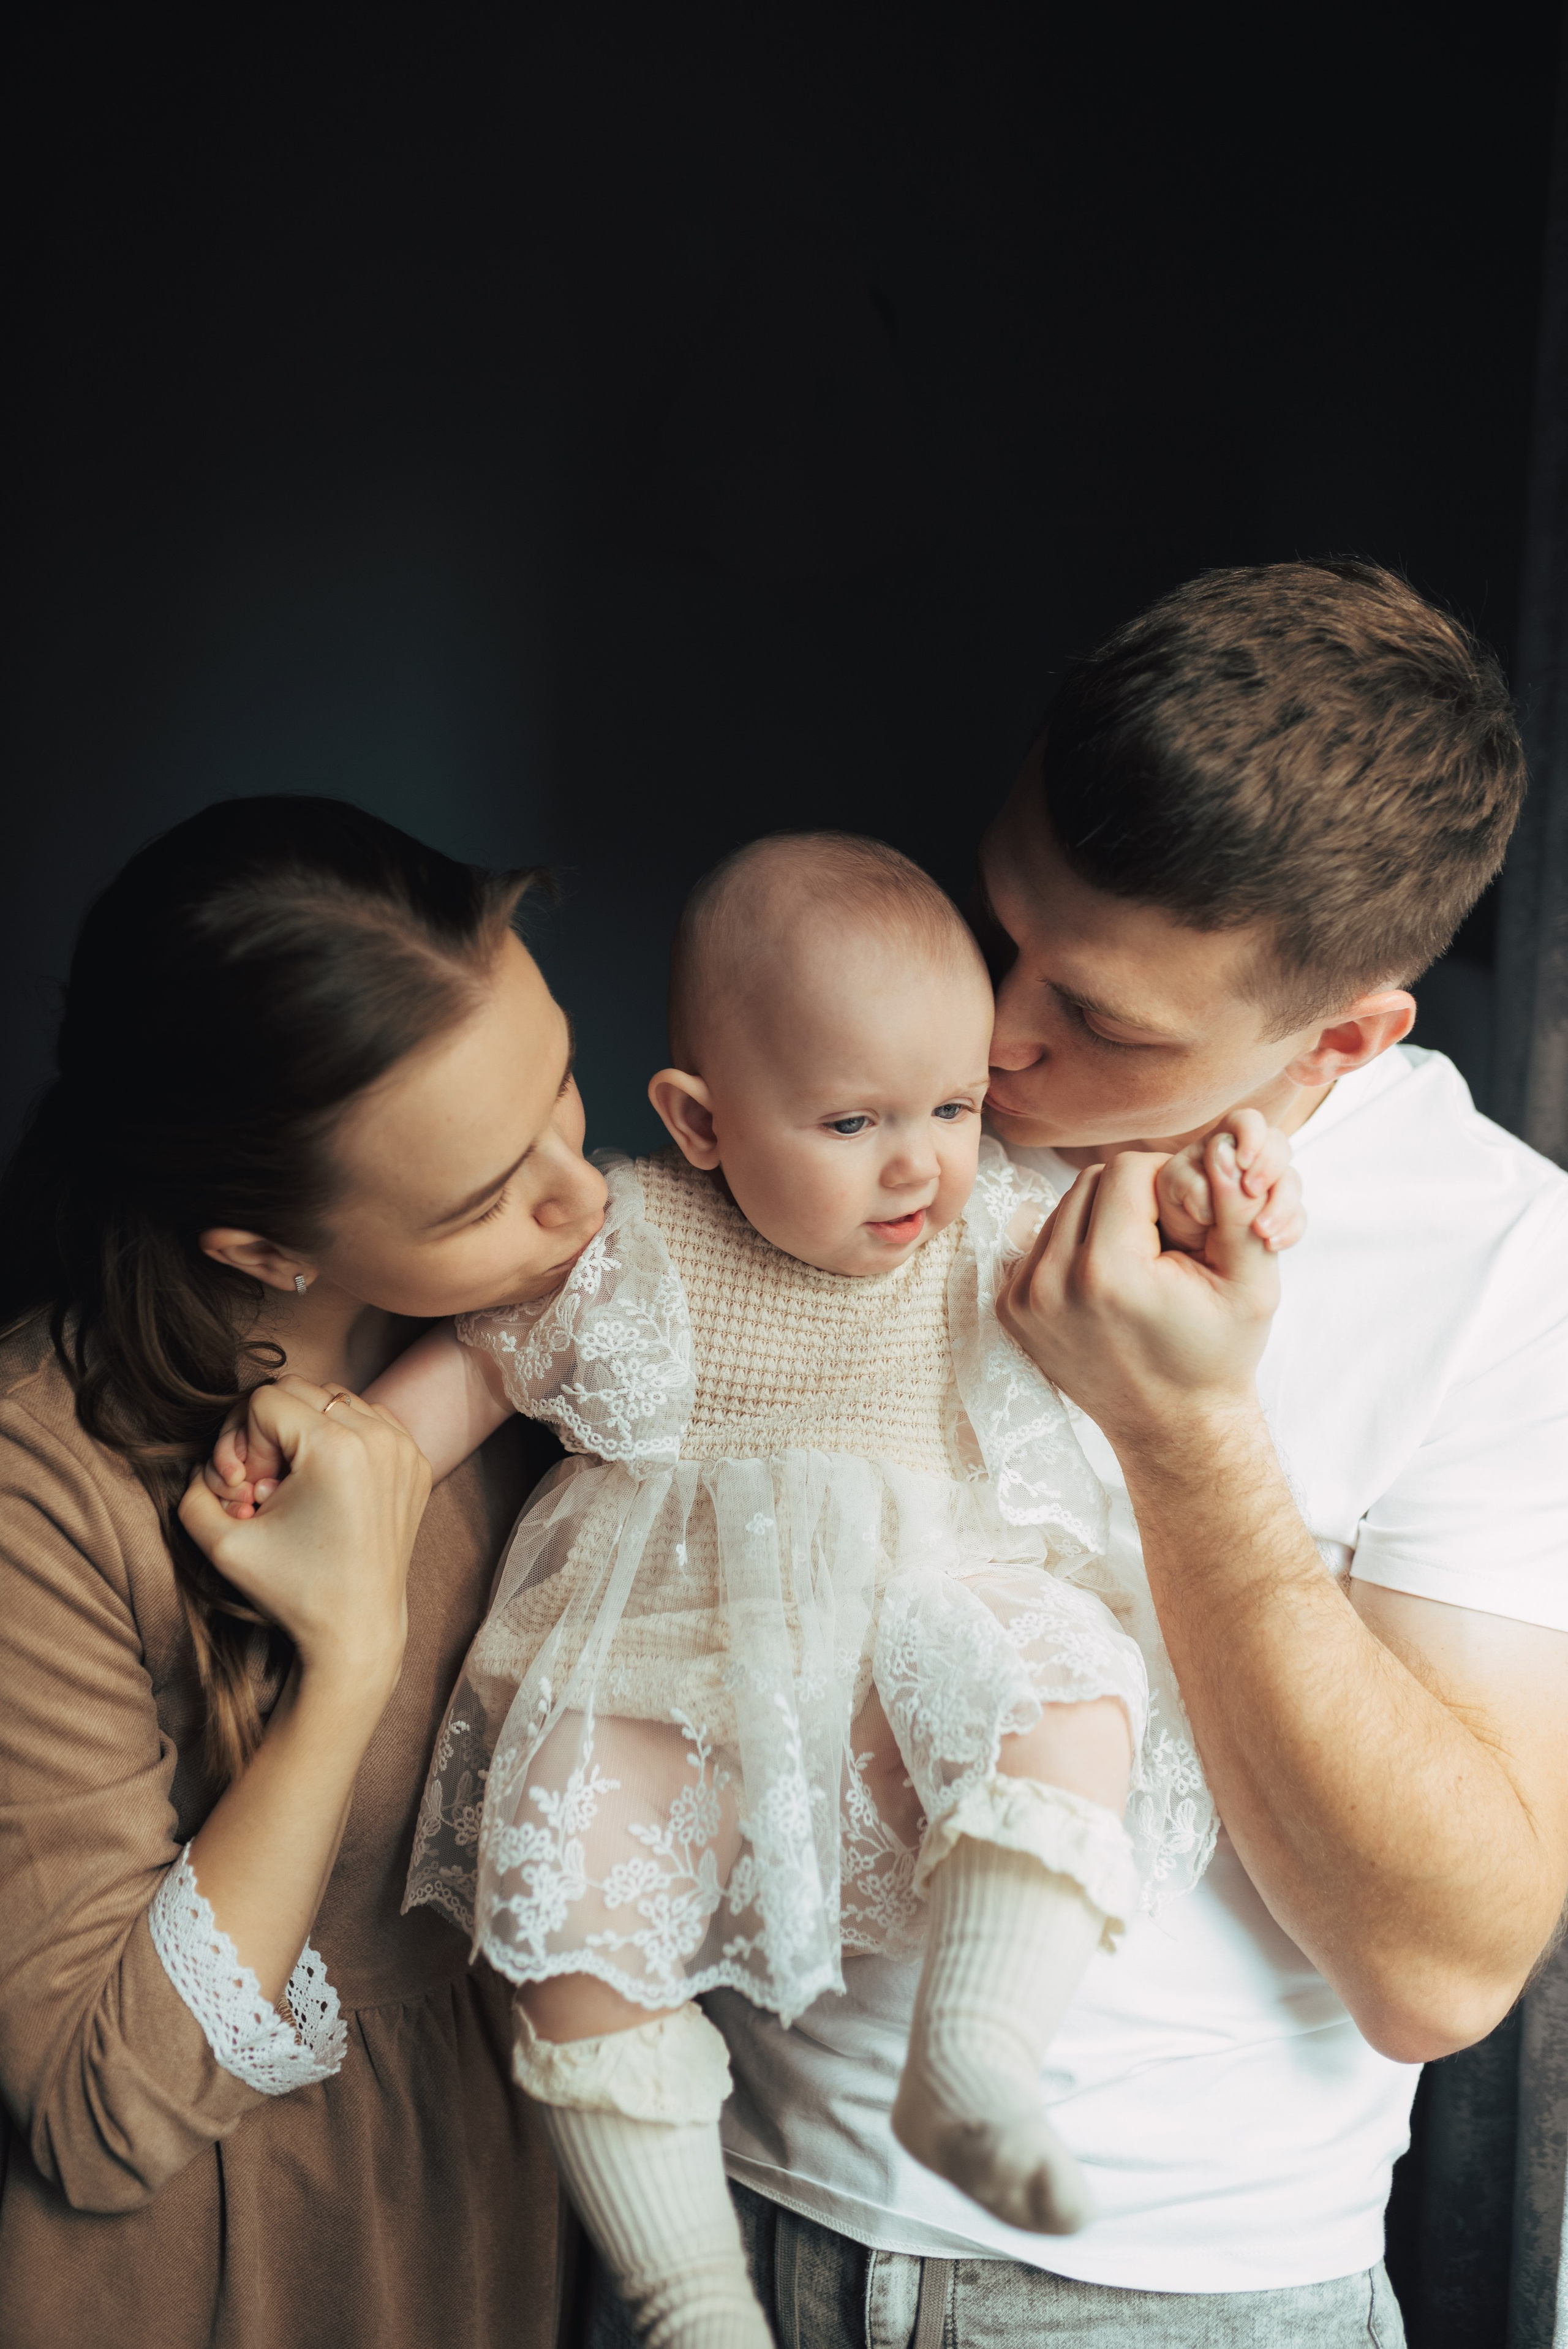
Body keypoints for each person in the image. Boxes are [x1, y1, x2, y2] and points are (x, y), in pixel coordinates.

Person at [207, 833, 1300, 2349]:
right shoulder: (629, 1237)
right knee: (567, 1879)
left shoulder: (988, 1228)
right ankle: (684, 2285)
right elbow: (469, 1369)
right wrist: (345, 1449)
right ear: (701, 1122)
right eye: (852, 1119)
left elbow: (1142, 1233)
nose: (919, 1159)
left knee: (1068, 1680)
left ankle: (978, 2041)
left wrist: (1216, 1189)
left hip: (921, 1640)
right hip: (674, 1668)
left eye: (955, 1104)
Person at [696, 562, 1568, 2348]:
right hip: (710, 2209)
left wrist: (1188, 1443)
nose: (998, 1034)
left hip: (1151, 2292)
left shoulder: (1502, 1269)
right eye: (1004, 918)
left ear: (1346, 1035)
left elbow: (1441, 1964)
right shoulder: (896, 1075)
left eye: (1102, 1018)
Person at [0, 797, 606, 2349]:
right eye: (485, 1196)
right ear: (267, 1247)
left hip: (495, 2211)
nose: (581, 1194)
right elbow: (96, 2111)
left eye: (562, 1088)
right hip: (222, 2271)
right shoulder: (37, 1482)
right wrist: (342, 1665)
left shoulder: (559, 1348)